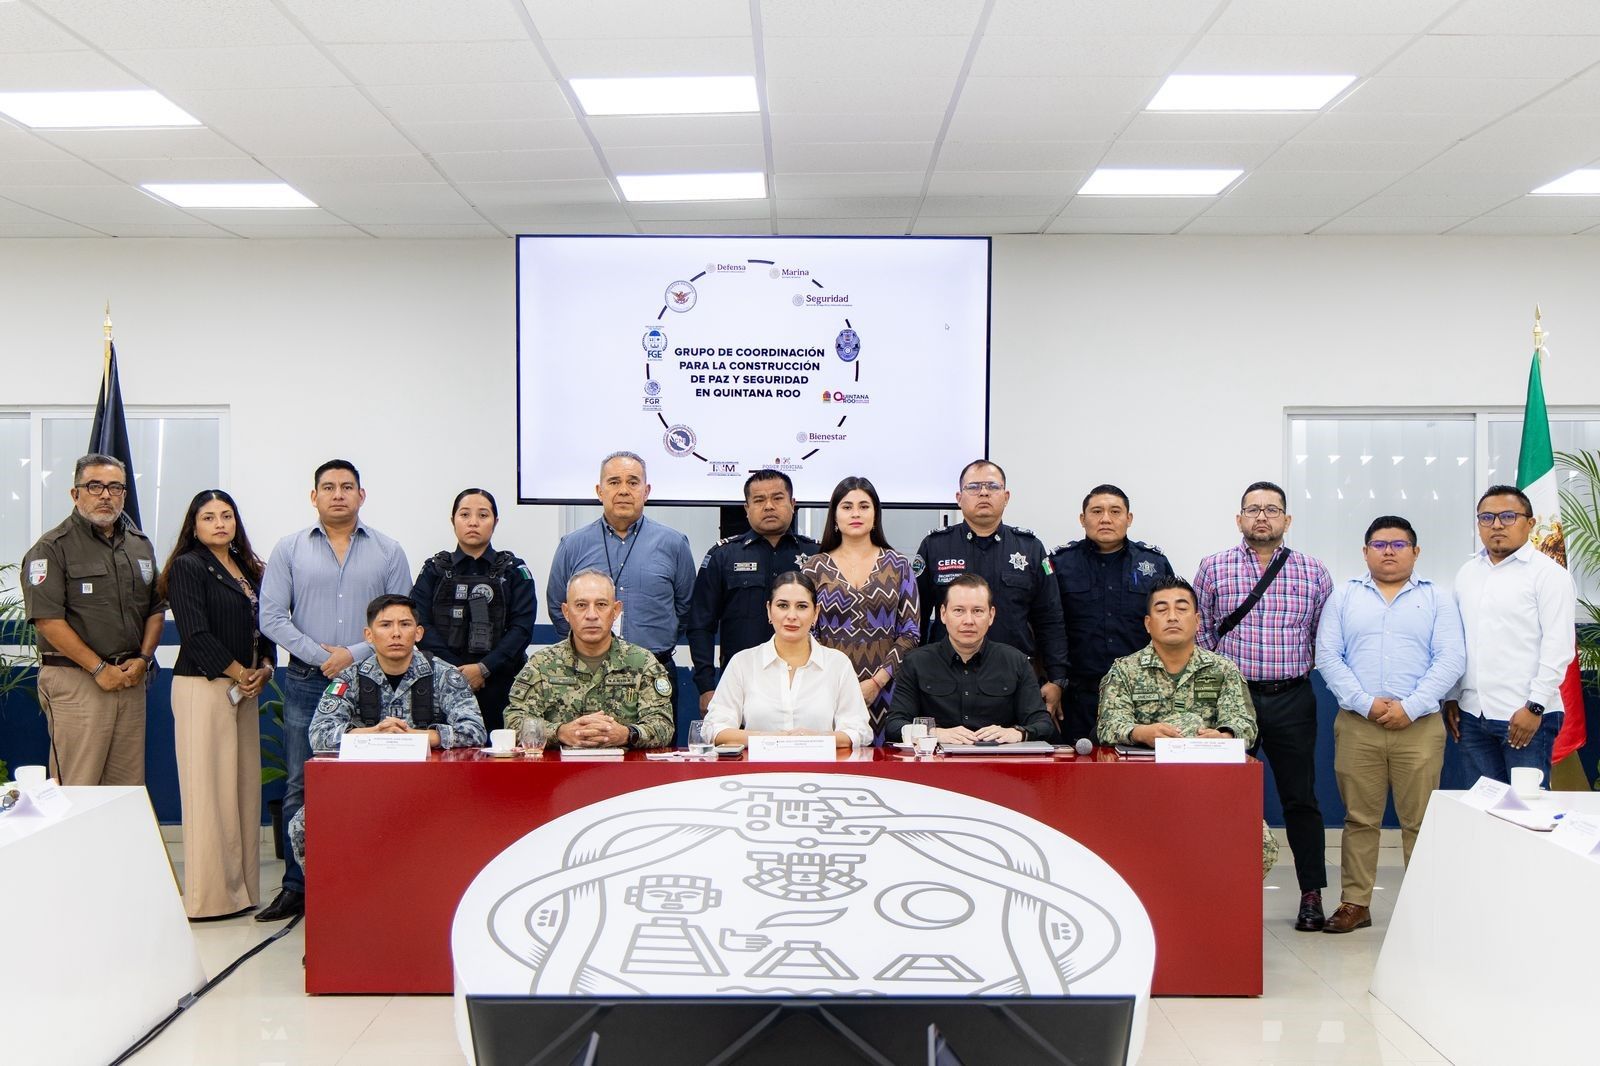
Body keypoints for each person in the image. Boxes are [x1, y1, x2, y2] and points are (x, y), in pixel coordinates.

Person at [257, 459, 411, 922]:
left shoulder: (388, 551)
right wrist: (321, 656)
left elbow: (401, 616)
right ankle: (296, 887)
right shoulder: (289, 549)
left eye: (347, 486)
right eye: (328, 487)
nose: (338, 494)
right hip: (307, 680)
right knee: (301, 780)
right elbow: (272, 616)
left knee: (373, 780)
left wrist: (352, 654)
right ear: (314, 496)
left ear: (361, 495)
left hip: (373, 680)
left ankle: (370, 878)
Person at [1315, 516, 1465, 935]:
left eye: (1399, 545)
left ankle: (1423, 908)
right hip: (1358, 724)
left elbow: (1451, 658)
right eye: (1379, 544)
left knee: (1421, 821)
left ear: (1415, 552)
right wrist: (1365, 704)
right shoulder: (1344, 596)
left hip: (1419, 726)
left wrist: (1410, 707)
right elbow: (1328, 655)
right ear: (1365, 552)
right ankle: (1355, 903)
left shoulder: (1437, 598)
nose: (1388, 552)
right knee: (1360, 819)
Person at [1194, 480, 1333, 931]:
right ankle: (1220, 893)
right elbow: (1201, 631)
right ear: (1239, 519)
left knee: (1301, 799)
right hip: (1232, 701)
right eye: (1253, 509)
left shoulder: (1313, 571)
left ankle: (1311, 894)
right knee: (1224, 799)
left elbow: (1323, 635)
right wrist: (1221, 686)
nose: (1262, 517)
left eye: (1272, 510)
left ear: (1286, 520)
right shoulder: (1213, 567)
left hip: (1293, 698)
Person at [286, 594, 487, 874]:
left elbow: (475, 730)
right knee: (302, 824)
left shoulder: (444, 675)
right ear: (369, 635)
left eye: (405, 624)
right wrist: (374, 734)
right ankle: (333, 890)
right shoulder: (349, 678)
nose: (395, 633)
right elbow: (319, 735)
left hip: (432, 787)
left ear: (418, 633)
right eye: (385, 625)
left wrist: (417, 736)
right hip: (364, 787)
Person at [1096, 576, 1277, 879]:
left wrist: (1225, 736)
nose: (1172, 617)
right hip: (1142, 789)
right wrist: (1142, 733)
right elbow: (1108, 724)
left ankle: (1217, 899)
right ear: (1148, 623)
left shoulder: (1222, 669)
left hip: (1208, 787)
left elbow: (1245, 725)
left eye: (1181, 609)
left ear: (1197, 620)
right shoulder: (1125, 670)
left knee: (1262, 846)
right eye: (1162, 610)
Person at [159, 490, 277, 920]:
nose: (220, 523)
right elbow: (195, 633)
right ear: (194, 526)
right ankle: (208, 899)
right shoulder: (188, 566)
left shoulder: (248, 567)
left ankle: (241, 892)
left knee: (242, 790)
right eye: (209, 517)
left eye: (227, 516)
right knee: (208, 792)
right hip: (204, 686)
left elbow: (265, 625)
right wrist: (239, 672)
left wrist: (265, 667)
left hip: (245, 686)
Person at [22, 453, 164, 787]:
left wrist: (143, 659)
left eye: (115, 487)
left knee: (126, 789)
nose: (105, 495)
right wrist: (99, 669)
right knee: (78, 785)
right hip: (77, 680)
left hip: (129, 680)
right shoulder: (51, 548)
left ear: (124, 494)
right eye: (95, 486)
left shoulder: (139, 546)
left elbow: (155, 609)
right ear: (75, 494)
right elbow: (47, 621)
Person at [914, 459, 1068, 723]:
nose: (983, 493)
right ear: (959, 498)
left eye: (992, 486)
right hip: (945, 678)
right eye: (974, 487)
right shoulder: (935, 546)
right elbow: (915, 618)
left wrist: (1057, 679)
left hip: (1013, 678)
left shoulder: (1029, 548)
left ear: (1006, 497)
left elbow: (1050, 618)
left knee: (1015, 745)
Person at [1446, 485, 1576, 788]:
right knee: (1481, 808)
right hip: (1471, 714)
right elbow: (1457, 640)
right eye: (1487, 517)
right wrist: (1452, 696)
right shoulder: (1467, 573)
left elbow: (1558, 648)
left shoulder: (1549, 575)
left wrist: (1535, 707)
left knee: (1525, 808)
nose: (1496, 525)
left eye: (1508, 516)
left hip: (1525, 716)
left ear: (1530, 523)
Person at [546, 451, 695, 712]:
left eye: (633, 482)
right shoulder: (572, 545)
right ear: (599, 491)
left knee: (656, 738)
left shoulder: (674, 544)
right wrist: (588, 648)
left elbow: (685, 607)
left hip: (654, 672)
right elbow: (559, 607)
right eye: (614, 482)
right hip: (585, 676)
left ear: (646, 491)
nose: (624, 490)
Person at [1049, 484, 1174, 746]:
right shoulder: (1060, 563)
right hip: (1077, 695)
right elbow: (1047, 624)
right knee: (1077, 764)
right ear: (1082, 519)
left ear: (1129, 518)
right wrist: (1053, 680)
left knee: (1135, 766)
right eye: (1097, 511)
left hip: (1141, 693)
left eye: (1115, 511)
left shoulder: (1154, 564)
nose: (1105, 518)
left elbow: (1170, 626)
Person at [688, 470, 818, 712]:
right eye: (759, 500)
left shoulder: (816, 555)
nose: (769, 506)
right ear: (746, 509)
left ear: (793, 504)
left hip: (807, 683)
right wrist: (706, 687)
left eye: (777, 498)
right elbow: (700, 625)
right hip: (740, 685)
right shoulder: (723, 555)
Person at [800, 476, 920, 736]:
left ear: (875, 515)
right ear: (834, 517)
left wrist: (877, 682)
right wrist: (837, 684)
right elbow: (806, 632)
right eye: (847, 507)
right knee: (834, 754)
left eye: (864, 506)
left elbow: (910, 633)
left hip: (888, 690)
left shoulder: (899, 565)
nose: (856, 513)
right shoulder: (814, 567)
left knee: (887, 759)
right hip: (826, 690)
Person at [409, 488, 536, 733]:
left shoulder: (514, 571)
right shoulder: (434, 570)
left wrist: (483, 669)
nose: (473, 522)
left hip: (501, 683)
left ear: (495, 522)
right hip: (442, 683)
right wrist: (459, 672)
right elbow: (420, 624)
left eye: (483, 515)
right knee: (446, 750)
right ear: (453, 520)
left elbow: (521, 629)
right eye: (465, 514)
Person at [506, 569, 675, 749]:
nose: (592, 615)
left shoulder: (642, 662)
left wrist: (627, 734)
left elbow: (663, 725)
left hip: (623, 765)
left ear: (616, 610)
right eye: (581, 605)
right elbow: (514, 721)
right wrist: (559, 732)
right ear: (566, 612)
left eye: (601, 604)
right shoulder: (541, 664)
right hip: (560, 766)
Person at [702, 572, 871, 749]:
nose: (791, 615)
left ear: (816, 613)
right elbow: (714, 729)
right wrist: (770, 739)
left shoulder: (838, 664)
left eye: (802, 606)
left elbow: (859, 731)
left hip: (820, 766)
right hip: (759, 766)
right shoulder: (743, 663)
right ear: (769, 610)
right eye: (783, 605)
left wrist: (816, 739)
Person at [882, 574, 1056, 745]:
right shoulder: (916, 662)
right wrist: (933, 733)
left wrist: (1017, 733)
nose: (968, 620)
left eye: (977, 611)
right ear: (943, 614)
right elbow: (894, 725)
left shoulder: (1016, 661)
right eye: (959, 610)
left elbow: (1044, 724)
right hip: (937, 759)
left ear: (991, 615)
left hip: (998, 759)